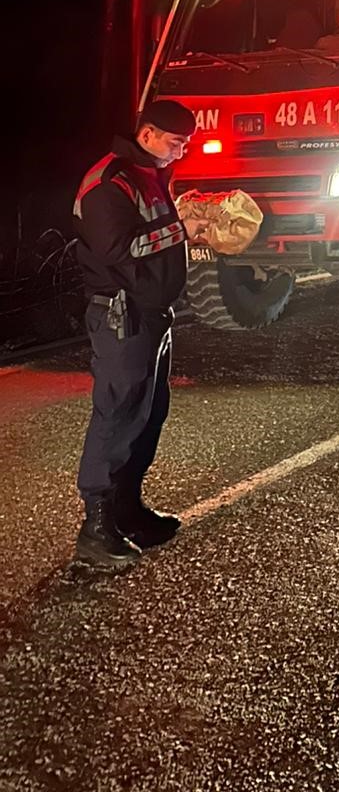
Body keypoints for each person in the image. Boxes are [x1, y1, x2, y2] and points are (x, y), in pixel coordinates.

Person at [72, 99, 208, 571]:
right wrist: (180, 227)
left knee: (148, 413)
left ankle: (127, 512)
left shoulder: (148, 174)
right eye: (176, 143)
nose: (181, 152)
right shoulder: (109, 182)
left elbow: (155, 238)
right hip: (120, 314)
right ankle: (96, 528)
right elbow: (118, 248)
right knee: (118, 412)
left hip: (151, 313)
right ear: (147, 134)